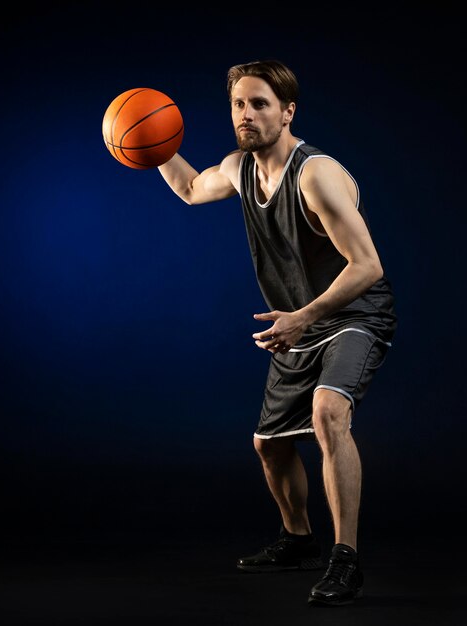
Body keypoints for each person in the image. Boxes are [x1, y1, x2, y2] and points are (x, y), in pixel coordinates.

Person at [158, 59, 397, 606]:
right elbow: (194, 189)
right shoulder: (240, 168)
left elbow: (367, 267)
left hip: (353, 313)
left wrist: (304, 318)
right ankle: (298, 539)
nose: (246, 114)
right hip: (298, 322)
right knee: (269, 445)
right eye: (239, 104)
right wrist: (151, 145)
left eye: (260, 103)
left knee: (329, 412)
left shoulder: (316, 174)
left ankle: (346, 560)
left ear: (288, 111)